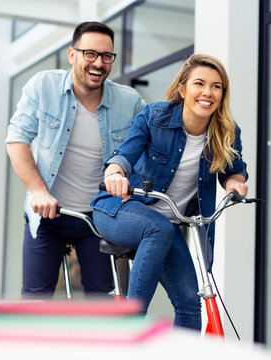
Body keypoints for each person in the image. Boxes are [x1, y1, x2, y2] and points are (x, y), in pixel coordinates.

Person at [90, 54, 248, 330]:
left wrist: (235, 182)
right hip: (119, 207)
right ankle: (131, 324)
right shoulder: (154, 116)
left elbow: (234, 169)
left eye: (216, 86)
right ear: (183, 89)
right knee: (159, 229)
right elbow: (124, 155)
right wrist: (114, 173)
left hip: (168, 223)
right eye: (199, 83)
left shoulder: (226, 131)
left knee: (189, 300)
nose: (208, 92)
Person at [6, 21, 145, 298]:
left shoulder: (129, 102)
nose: (99, 63)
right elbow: (16, 139)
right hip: (46, 214)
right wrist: (37, 191)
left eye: (107, 56)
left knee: (105, 301)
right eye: (90, 53)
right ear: (72, 55)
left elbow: (146, 150)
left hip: (100, 218)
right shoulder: (43, 86)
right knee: (35, 302)